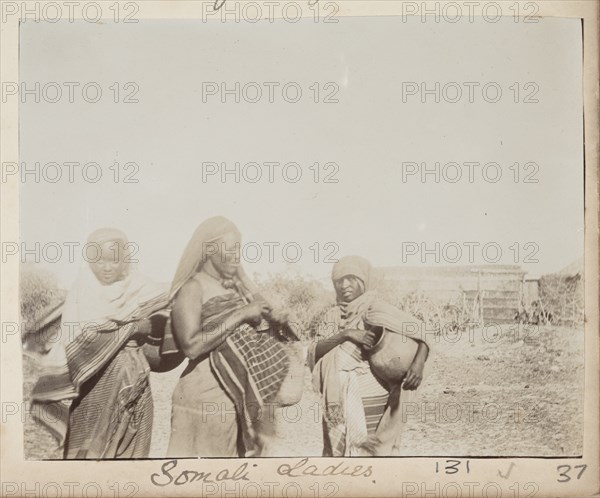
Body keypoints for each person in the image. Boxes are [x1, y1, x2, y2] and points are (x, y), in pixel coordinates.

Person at [31, 228, 169, 459]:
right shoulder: (82, 291)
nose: (106, 267)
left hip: (138, 383)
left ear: (124, 259)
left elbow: (165, 313)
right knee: (89, 452)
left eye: (113, 260)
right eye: (99, 260)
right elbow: (82, 339)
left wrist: (153, 327)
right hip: (96, 388)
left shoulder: (141, 286)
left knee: (133, 454)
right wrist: (134, 328)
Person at [166, 216, 292, 457]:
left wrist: (245, 281)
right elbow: (191, 346)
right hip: (203, 396)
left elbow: (261, 318)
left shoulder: (235, 287)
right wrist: (241, 314)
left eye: (240, 249)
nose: (237, 255)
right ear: (210, 249)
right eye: (231, 248)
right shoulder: (193, 288)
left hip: (236, 394)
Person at [308, 255, 431, 456]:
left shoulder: (376, 309)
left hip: (374, 397)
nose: (344, 285)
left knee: (370, 454)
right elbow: (314, 353)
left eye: (351, 278)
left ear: (364, 280)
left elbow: (422, 333)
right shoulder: (332, 316)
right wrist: (346, 334)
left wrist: (418, 364)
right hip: (335, 398)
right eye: (339, 281)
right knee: (339, 460)